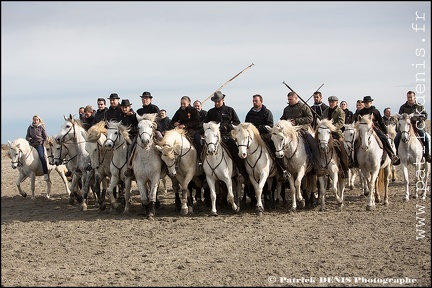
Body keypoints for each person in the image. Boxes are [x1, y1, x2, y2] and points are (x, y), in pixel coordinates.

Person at [203, 91, 249, 183]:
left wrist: (227, 126)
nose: (216, 103)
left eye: (218, 101)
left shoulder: (230, 110)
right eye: (215, 101)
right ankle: (205, 173)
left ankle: (241, 172)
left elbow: (237, 122)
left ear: (223, 100)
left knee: (235, 150)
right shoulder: (211, 112)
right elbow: (205, 123)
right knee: (203, 150)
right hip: (214, 137)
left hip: (227, 136)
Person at [245, 94, 289, 180]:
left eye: (256, 101)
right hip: (253, 137)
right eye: (253, 101)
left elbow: (269, 125)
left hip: (265, 135)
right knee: (243, 148)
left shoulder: (267, 112)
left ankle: (282, 170)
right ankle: (245, 173)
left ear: (261, 101)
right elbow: (247, 125)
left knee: (275, 149)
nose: (254, 102)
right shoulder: (250, 114)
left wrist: (257, 128)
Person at [280, 91, 325, 176]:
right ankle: (283, 169)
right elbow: (283, 119)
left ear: (296, 98)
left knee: (314, 144)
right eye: (288, 99)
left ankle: (318, 167)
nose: (289, 101)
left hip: (302, 129)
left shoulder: (304, 107)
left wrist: (296, 121)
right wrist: (285, 122)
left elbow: (310, 118)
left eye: (291, 99)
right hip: (290, 131)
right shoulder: (286, 109)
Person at [124, 91, 162, 177]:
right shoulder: (139, 111)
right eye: (143, 98)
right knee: (131, 146)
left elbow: (158, 120)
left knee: (162, 141)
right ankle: (129, 166)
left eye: (146, 98)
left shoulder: (154, 108)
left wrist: (153, 128)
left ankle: (168, 165)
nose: (144, 100)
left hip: (154, 131)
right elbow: (135, 122)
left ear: (150, 99)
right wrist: (132, 116)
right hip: (142, 132)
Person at [356, 96, 400, 165]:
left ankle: (392, 155)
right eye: (365, 103)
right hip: (364, 129)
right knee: (355, 140)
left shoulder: (375, 111)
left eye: (368, 103)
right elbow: (358, 121)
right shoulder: (361, 112)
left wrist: (385, 132)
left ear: (371, 103)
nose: (366, 104)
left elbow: (381, 122)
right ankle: (353, 159)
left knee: (384, 138)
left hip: (375, 128)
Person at [394, 91, 430, 163]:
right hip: (406, 127)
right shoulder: (403, 107)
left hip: (417, 125)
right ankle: (398, 156)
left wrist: (420, 119)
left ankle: (426, 155)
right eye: (408, 97)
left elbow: (425, 115)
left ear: (414, 97)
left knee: (425, 137)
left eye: (411, 97)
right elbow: (399, 117)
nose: (409, 99)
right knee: (396, 138)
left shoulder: (420, 106)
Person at [170, 96, 203, 166]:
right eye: (181, 103)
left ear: (188, 103)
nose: (182, 105)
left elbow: (197, 121)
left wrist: (186, 125)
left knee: (198, 140)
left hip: (192, 130)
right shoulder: (179, 111)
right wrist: (175, 123)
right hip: (180, 130)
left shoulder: (193, 110)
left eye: (184, 103)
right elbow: (172, 121)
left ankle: (199, 158)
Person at [321, 96, 349, 178]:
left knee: (342, 148)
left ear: (337, 103)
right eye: (330, 102)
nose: (331, 103)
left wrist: (330, 127)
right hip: (326, 133)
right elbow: (323, 121)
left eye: (333, 102)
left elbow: (341, 123)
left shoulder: (340, 112)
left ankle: (344, 169)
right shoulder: (325, 111)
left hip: (336, 133)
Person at [26, 115, 49, 181]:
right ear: (33, 120)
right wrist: (29, 139)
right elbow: (27, 136)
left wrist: (43, 143)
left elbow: (45, 136)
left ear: (39, 120)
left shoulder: (41, 127)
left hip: (39, 145)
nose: (35, 121)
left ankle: (45, 173)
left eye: (37, 120)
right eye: (34, 120)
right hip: (32, 145)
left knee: (42, 157)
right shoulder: (30, 127)